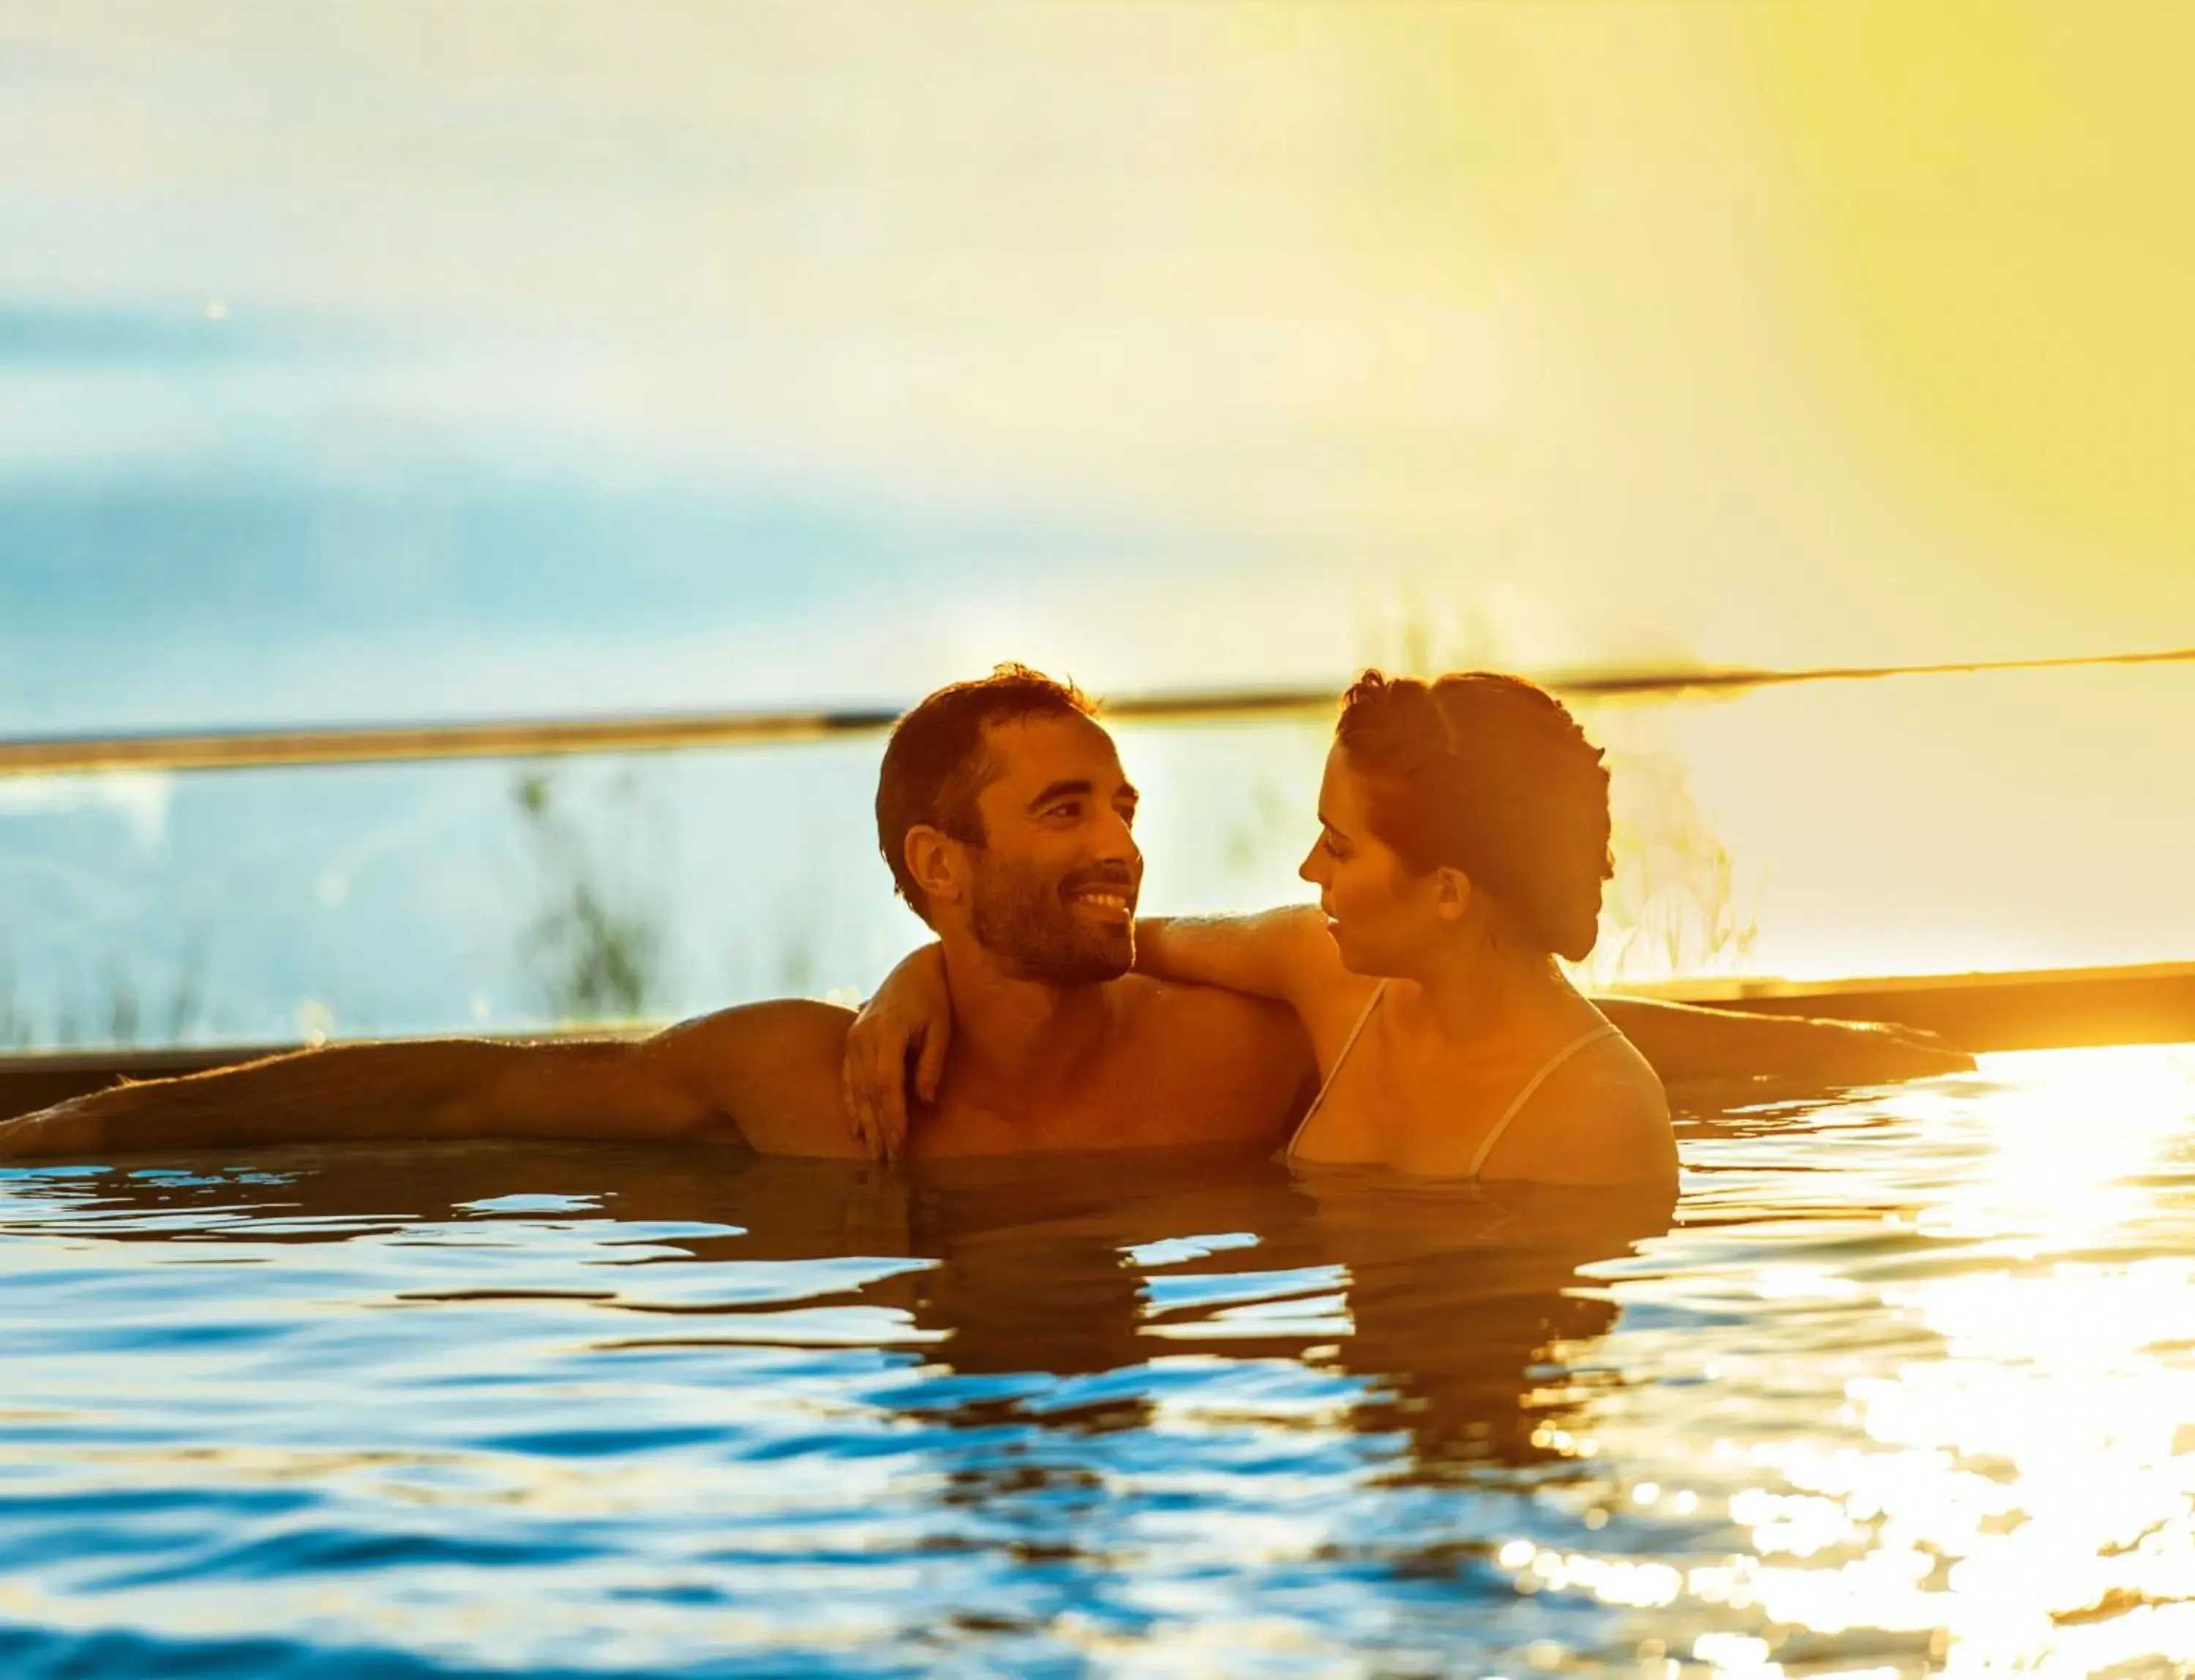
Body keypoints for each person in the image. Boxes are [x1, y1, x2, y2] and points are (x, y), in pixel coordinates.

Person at [0, 667, 1967, 1166]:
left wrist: (1957, 1083)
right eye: (1064, 811)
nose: (1121, 843)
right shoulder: (800, 1086)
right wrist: (78, 1137)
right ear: (941, 873)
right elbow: (459, 1105)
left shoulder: (1251, 1039)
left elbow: (1571, 1037)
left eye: (1122, 800)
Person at [844, 670, 1939, 1183]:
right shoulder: (1319, 969)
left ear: (1448, 893)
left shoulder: (1594, 1128)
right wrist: (919, 973)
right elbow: (1095, 938)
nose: (1309, 866)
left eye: (1344, 845)